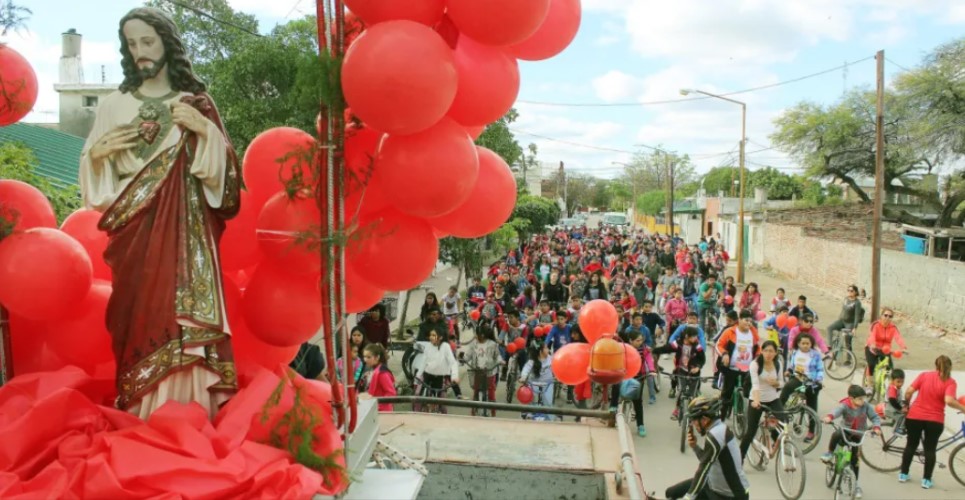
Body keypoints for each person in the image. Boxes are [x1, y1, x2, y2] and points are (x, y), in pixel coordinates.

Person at [78, 7, 241, 419]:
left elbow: (226, 187)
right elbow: (96, 183)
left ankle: (188, 409)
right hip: (133, 236)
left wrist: (204, 130)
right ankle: (142, 410)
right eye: (131, 44)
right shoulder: (114, 104)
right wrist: (97, 155)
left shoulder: (195, 103)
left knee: (179, 313)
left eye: (147, 42)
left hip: (184, 240)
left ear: (167, 44)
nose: (140, 52)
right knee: (135, 315)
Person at [899, 355, 965, 489]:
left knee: (911, 445)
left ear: (936, 366)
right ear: (950, 367)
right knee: (930, 449)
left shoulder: (924, 375)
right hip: (934, 420)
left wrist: (906, 404)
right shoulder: (950, 382)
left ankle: (903, 474)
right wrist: (963, 408)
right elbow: (949, 400)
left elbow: (909, 392)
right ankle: (926, 480)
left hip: (914, 416)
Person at [665, 397, 750, 500]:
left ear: (705, 420)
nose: (692, 424)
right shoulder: (717, 429)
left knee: (688, 495)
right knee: (670, 493)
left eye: (694, 420)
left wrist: (688, 497)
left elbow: (703, 470)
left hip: (731, 496)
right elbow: (710, 460)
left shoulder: (715, 435)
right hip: (712, 488)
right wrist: (695, 447)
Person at [821, 385, 881, 499]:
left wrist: (877, 427)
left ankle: (856, 484)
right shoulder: (845, 405)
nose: (862, 401)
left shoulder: (866, 406)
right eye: (859, 399)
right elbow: (837, 411)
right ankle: (829, 453)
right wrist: (830, 417)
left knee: (855, 460)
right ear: (851, 398)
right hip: (846, 432)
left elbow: (875, 417)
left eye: (863, 398)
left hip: (858, 434)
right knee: (837, 434)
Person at [740, 340, 785, 459]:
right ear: (761, 351)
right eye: (765, 351)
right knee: (750, 432)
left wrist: (776, 383)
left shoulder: (778, 364)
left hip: (773, 398)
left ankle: (775, 440)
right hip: (757, 398)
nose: (768, 354)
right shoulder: (755, 364)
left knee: (783, 423)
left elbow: (781, 383)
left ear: (776, 353)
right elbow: (755, 385)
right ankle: (739, 458)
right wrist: (756, 401)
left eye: (771, 351)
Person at [716, 309, 760, 420]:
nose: (748, 323)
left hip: (747, 369)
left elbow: (758, 348)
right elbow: (718, 345)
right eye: (746, 320)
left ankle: (744, 417)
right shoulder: (730, 331)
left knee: (748, 393)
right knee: (726, 393)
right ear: (739, 320)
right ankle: (721, 417)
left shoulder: (753, 333)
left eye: (750, 321)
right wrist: (725, 354)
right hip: (731, 367)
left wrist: (758, 358)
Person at [653, 327, 706, 420]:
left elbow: (702, 359)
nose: (695, 339)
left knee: (692, 393)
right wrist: (654, 350)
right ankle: (677, 409)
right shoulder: (678, 343)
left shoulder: (698, 346)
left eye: (696, 337)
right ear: (686, 336)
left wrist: (698, 367)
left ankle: (692, 411)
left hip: (694, 373)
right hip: (681, 371)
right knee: (681, 391)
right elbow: (667, 348)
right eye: (693, 337)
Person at [782, 332, 824, 441]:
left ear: (811, 344)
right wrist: (788, 371)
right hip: (797, 379)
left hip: (811, 382)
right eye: (803, 343)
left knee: (812, 406)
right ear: (798, 344)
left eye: (808, 343)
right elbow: (792, 366)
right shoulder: (795, 353)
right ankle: (779, 412)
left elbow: (820, 369)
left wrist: (819, 380)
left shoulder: (815, 355)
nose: (805, 345)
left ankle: (811, 431)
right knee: (787, 389)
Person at [864, 307, 907, 386]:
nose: (887, 318)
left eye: (890, 316)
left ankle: (887, 385)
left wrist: (903, 347)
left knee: (890, 368)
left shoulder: (893, 328)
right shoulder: (875, 325)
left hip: (885, 350)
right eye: (885, 315)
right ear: (881, 316)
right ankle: (869, 385)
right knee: (871, 365)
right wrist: (873, 344)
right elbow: (872, 335)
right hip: (872, 348)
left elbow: (898, 338)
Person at [415, 329, 460, 399]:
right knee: (420, 397)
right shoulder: (428, 346)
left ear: (440, 337)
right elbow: (424, 362)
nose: (431, 337)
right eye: (430, 335)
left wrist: (454, 376)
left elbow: (453, 362)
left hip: (439, 377)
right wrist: (418, 375)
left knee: (440, 402)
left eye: (433, 335)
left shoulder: (445, 346)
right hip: (428, 375)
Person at [826, 285, 864, 351]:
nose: (849, 292)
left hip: (850, 323)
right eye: (848, 290)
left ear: (855, 292)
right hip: (841, 321)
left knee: (847, 342)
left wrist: (855, 328)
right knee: (829, 328)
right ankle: (830, 345)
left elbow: (857, 316)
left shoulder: (857, 303)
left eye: (851, 291)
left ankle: (849, 360)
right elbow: (843, 310)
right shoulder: (846, 299)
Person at [361, 344, 396, 412]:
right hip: (375, 409)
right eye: (364, 357)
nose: (365, 359)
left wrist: (377, 404)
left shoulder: (382, 373)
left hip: (381, 411)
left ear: (377, 357)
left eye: (368, 357)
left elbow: (391, 393)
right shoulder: (376, 370)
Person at [520, 342, 556, 409]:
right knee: (532, 404)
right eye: (546, 348)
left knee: (548, 404)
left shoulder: (551, 359)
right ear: (540, 351)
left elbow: (557, 368)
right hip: (534, 384)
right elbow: (526, 368)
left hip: (548, 384)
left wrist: (558, 377)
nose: (548, 349)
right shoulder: (532, 361)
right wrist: (523, 377)